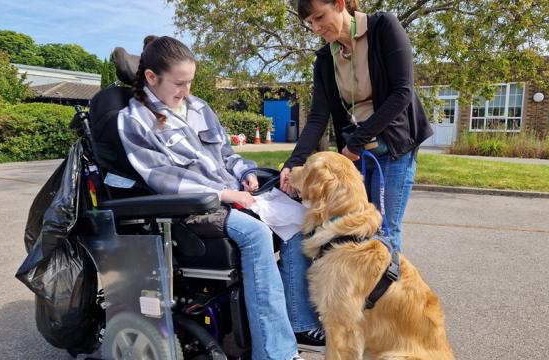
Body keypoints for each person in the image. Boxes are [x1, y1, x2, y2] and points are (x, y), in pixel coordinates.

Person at [117, 35, 322, 359]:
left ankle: (297, 320)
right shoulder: (134, 119)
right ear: (151, 78)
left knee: (302, 219)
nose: (186, 92)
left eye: (190, 82)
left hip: (231, 193)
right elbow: (162, 177)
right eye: (179, 84)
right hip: (188, 206)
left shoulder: (197, 107)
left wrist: (244, 172)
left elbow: (226, 153)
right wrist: (222, 192)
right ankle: (276, 353)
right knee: (256, 233)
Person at [280, 0, 433, 252]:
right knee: (356, 229)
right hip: (356, 152)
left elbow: (402, 92)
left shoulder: (384, 27)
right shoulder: (324, 60)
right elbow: (318, 116)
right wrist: (293, 161)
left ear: (340, 4)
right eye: (310, 23)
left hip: (393, 147)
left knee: (384, 231)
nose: (316, 28)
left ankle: (384, 290)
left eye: (320, 17)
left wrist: (356, 141)